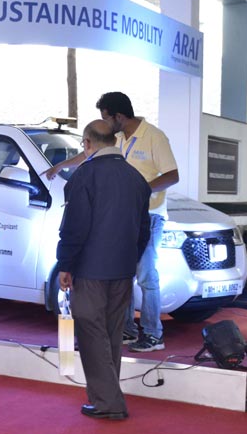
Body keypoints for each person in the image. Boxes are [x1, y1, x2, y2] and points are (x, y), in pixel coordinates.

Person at [45, 92, 179, 352]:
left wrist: (139, 191)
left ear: (119, 116)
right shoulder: (115, 137)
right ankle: (126, 329)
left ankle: (153, 333)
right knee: (122, 274)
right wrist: (60, 166)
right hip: (121, 215)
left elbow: (173, 175)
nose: (104, 123)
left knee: (146, 275)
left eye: (105, 117)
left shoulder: (155, 136)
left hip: (149, 215)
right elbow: (88, 154)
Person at [57, 119, 151, 420]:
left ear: (87, 143)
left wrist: (65, 264)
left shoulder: (84, 176)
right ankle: (106, 396)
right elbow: (144, 231)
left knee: (91, 333)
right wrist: (130, 260)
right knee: (111, 334)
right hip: (123, 269)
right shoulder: (136, 178)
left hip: (91, 270)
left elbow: (74, 228)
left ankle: (108, 402)